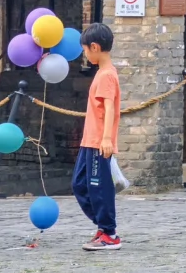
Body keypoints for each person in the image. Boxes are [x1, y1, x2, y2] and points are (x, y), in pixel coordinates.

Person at [73, 22, 122, 251]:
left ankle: (110, 233)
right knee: (79, 184)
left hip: (98, 142)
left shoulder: (107, 75)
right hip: (89, 141)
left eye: (85, 49)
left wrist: (106, 139)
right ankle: (103, 225)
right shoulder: (102, 73)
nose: (85, 54)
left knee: (99, 188)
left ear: (94, 47)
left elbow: (110, 108)